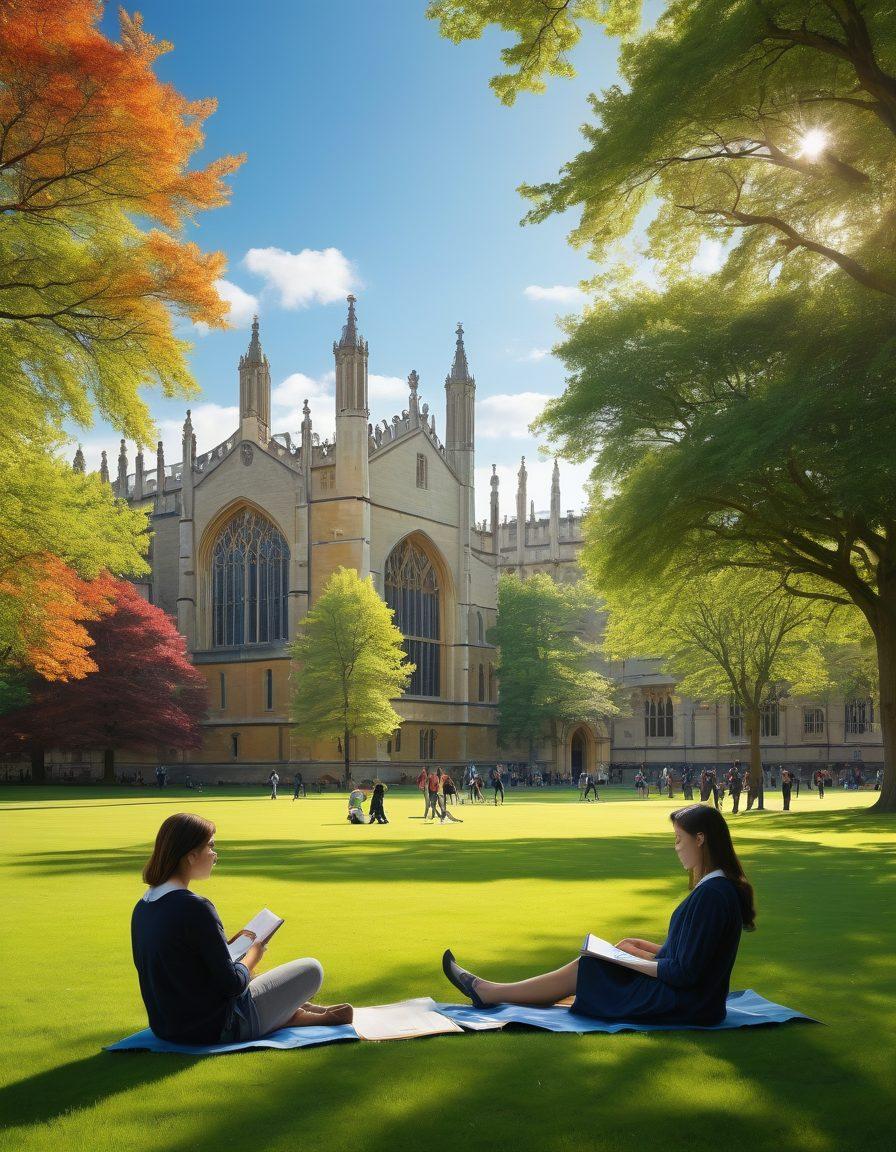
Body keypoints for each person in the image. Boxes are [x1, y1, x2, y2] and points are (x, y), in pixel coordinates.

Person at [442, 803, 755, 1028]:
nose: (675, 848)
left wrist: (626, 961)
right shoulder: (716, 889)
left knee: (593, 965)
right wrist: (647, 950)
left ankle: (489, 992)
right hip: (693, 999)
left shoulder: (713, 895)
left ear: (700, 840)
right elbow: (693, 956)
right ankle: (494, 991)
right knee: (599, 960)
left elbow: (686, 973)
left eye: (678, 839)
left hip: (688, 1005)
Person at [131, 813, 352, 1045]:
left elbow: (181, 966)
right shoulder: (195, 907)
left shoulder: (144, 906)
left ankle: (288, 1011)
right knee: (311, 969)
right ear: (191, 855)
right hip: (216, 1027)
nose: (215, 855)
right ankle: (287, 1016)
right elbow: (232, 985)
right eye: (211, 846)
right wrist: (253, 956)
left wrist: (226, 946)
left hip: (166, 1027)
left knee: (260, 977)